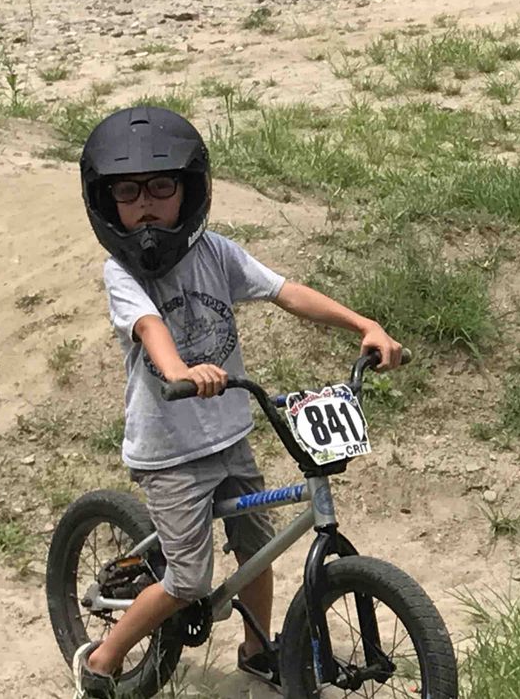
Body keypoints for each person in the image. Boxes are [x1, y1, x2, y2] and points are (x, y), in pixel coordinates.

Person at [74, 106, 402, 698]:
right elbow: (149, 327)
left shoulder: (216, 254)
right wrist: (180, 371)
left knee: (258, 547)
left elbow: (285, 291)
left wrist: (364, 325)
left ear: (189, 189)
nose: (145, 204)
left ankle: (256, 650)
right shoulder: (122, 274)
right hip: (171, 455)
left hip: (229, 437)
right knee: (189, 579)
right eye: (127, 191)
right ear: (106, 201)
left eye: (161, 187)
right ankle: (101, 661)